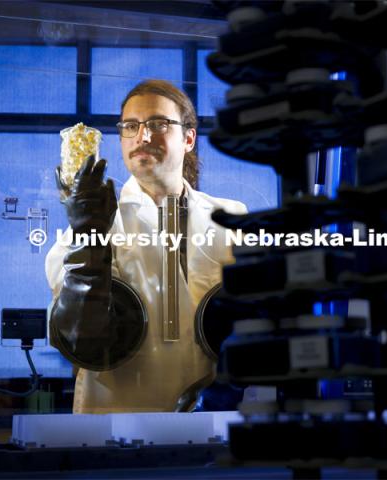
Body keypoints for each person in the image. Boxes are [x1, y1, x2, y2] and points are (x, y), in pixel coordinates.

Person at [45, 79, 247, 414]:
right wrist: (89, 239)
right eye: (131, 126)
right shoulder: (94, 225)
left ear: (189, 138)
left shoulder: (232, 219)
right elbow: (82, 339)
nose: (143, 136)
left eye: (158, 124)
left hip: (211, 427)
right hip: (117, 430)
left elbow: (254, 325)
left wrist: (229, 385)